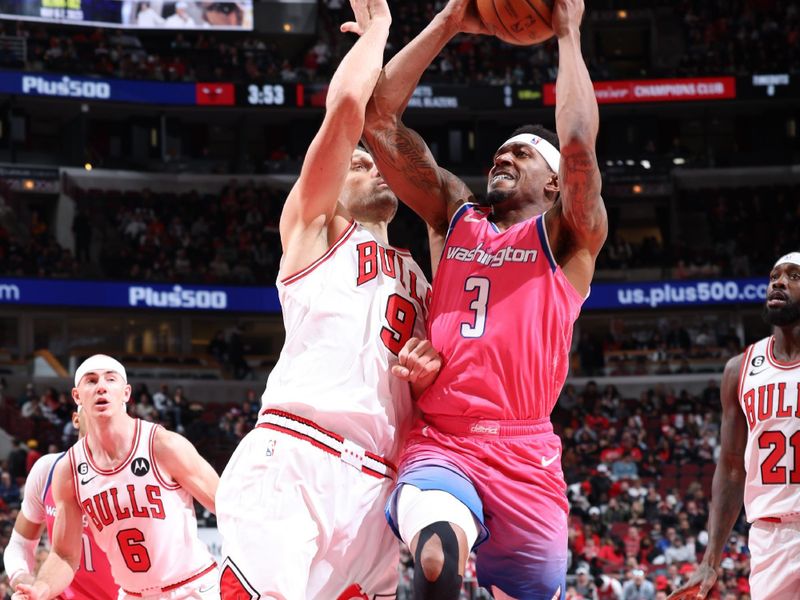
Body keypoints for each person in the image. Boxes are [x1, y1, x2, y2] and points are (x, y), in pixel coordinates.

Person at [362, 0, 606, 596]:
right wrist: (448, 21)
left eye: (522, 153)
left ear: (552, 183)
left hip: (526, 453)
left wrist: (569, 34)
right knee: (437, 558)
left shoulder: (569, 237)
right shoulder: (455, 218)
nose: (504, 155)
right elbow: (379, 120)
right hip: (443, 440)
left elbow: (577, 146)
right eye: (502, 150)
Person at [214, 0, 438, 597]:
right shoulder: (315, 231)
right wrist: (382, 34)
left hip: (379, 490)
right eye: (360, 163)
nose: (375, 167)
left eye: (379, 161)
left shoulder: (426, 282)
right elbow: (345, 112)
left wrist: (424, 375)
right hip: (296, 458)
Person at [12, 354, 219, 600]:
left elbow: (226, 507)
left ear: (126, 393)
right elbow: (64, 555)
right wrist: (41, 589)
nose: (101, 386)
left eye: (110, 379)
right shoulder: (68, 470)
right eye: (91, 380)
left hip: (190, 587)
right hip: (132, 595)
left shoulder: (162, 445)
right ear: (77, 396)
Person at [669, 252, 800, 599]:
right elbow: (729, 469)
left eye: (794, 276)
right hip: (770, 538)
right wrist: (711, 560)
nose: (779, 282)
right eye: (774, 276)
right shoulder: (740, 369)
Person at [4, 411, 118, 599]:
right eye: (91, 410)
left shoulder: (136, 476)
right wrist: (25, 581)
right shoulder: (48, 468)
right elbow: (19, 544)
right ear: (76, 419)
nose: (101, 416)